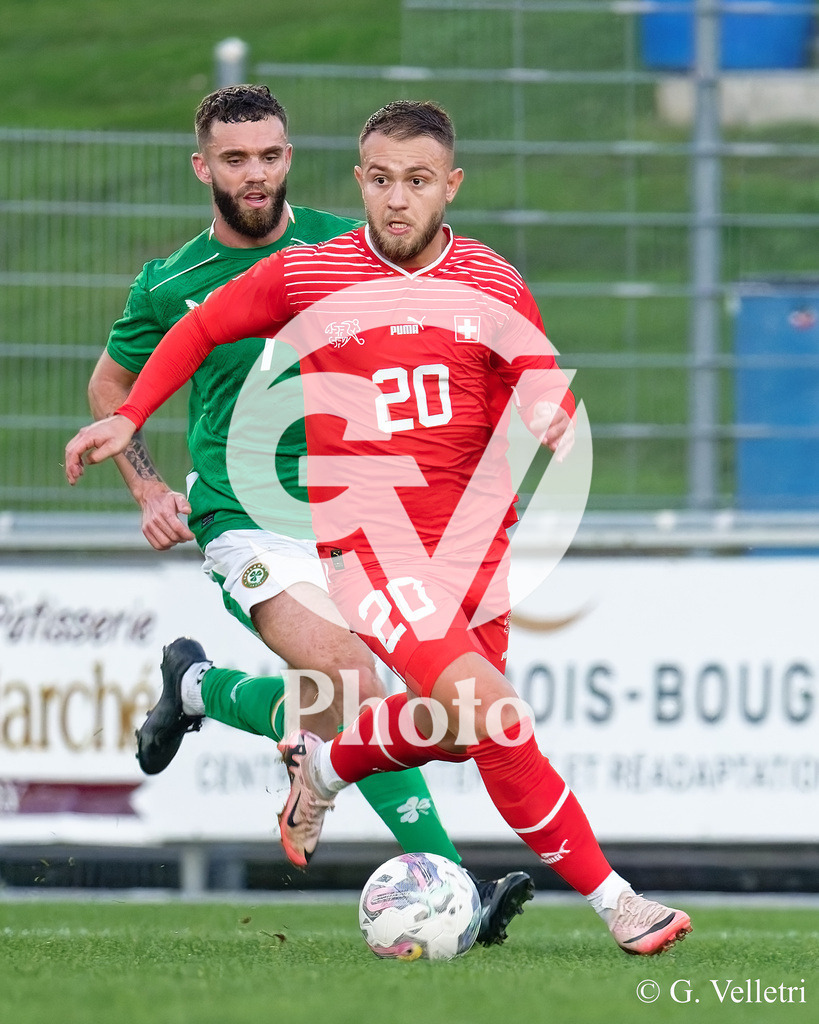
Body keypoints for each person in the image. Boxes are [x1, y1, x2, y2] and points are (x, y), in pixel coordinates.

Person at [65, 99, 692, 956]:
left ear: (450, 185)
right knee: (488, 713)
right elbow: (202, 325)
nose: (398, 199)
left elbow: (537, 370)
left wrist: (547, 406)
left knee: (457, 730)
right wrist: (131, 417)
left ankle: (321, 764)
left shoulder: (492, 279)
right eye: (383, 180)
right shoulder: (309, 274)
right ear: (360, 180)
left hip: (475, 548)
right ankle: (617, 903)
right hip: (365, 545)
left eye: (418, 181)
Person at [85, 84, 533, 947]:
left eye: (270, 155)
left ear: (290, 156)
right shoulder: (169, 283)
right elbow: (111, 384)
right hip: (244, 513)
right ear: (202, 167)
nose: (255, 174)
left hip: (360, 514)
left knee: (393, 702)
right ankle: (457, 891)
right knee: (350, 681)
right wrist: (147, 485)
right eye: (234, 159)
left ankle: (198, 688)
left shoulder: (349, 246)